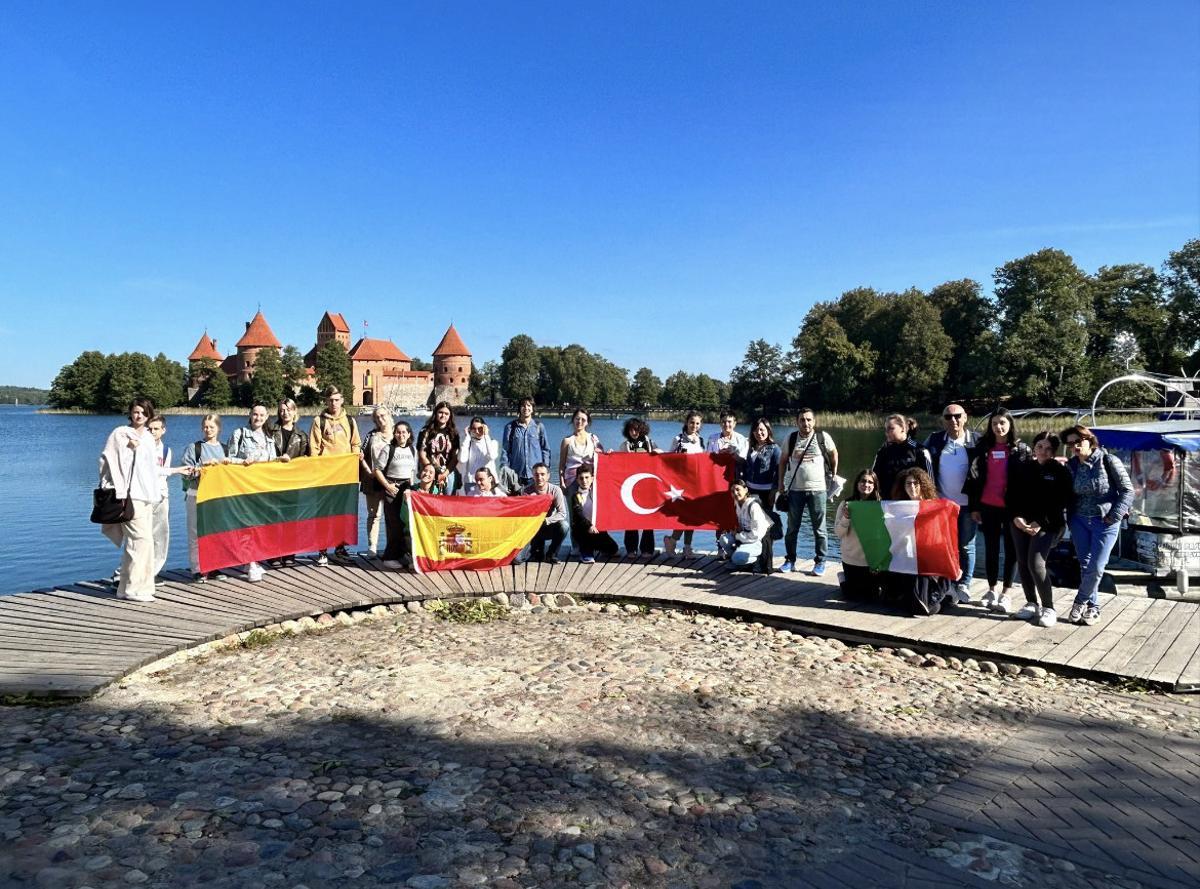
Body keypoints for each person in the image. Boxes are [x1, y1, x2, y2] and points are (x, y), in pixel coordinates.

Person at [1062, 424, 1133, 626]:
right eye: (1070, 444)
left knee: (1097, 566)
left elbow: (1128, 491)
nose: (1075, 446)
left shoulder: (1108, 460)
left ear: (1089, 440)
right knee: (1085, 565)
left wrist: (1115, 515)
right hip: (1079, 521)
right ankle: (1094, 608)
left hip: (1105, 521)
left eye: (1078, 441)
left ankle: (1079, 602)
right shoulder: (1072, 465)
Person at [1006, 431, 1074, 628]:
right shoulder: (1023, 467)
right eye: (1039, 447)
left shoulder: (1060, 471)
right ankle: (1031, 603)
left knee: (1036, 563)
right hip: (1020, 522)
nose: (1043, 451)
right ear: (1034, 447)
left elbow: (1061, 502)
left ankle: (1049, 607)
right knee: (1022, 562)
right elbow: (1011, 496)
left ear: (1054, 451)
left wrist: (1040, 523)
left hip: (1047, 524)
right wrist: (1016, 517)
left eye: (1048, 448)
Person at [965, 408, 1028, 614]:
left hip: (1012, 509)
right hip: (987, 506)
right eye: (994, 424)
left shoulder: (1021, 450)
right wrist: (974, 506)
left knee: (1012, 551)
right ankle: (991, 590)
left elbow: (1031, 480)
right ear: (990, 426)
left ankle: (1006, 594)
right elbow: (973, 480)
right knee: (991, 549)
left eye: (1002, 423)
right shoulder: (982, 448)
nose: (998, 427)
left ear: (1010, 425)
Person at [98, 398, 161, 602]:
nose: (139, 415)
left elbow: (152, 469)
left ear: (149, 414)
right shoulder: (121, 434)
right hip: (129, 496)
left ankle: (127, 587)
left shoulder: (150, 438)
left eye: (143, 412)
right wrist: (128, 448)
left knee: (144, 542)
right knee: (139, 541)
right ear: (130, 413)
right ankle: (135, 589)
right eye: (135, 412)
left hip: (146, 496)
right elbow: (107, 460)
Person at [925, 403, 980, 604]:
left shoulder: (976, 440)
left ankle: (964, 583)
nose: (953, 420)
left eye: (957, 416)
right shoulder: (934, 439)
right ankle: (948, 582)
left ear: (965, 417)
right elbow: (922, 464)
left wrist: (978, 505)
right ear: (943, 420)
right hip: (942, 505)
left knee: (966, 545)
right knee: (945, 546)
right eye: (948, 417)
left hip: (967, 505)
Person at [883, 468, 955, 616]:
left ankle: (945, 592)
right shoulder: (900, 508)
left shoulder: (935, 506)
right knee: (894, 601)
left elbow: (941, 538)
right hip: (907, 558)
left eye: (916, 483)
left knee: (923, 608)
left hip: (928, 559)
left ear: (923, 484)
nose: (912, 487)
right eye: (908, 483)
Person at [777, 408, 838, 576]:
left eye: (809, 420)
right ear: (797, 422)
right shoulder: (791, 438)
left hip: (818, 490)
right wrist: (781, 483)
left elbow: (833, 454)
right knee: (792, 528)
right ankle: (790, 560)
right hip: (795, 490)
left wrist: (834, 473)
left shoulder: (823, 437)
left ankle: (820, 562)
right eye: (802, 420)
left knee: (820, 529)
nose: (806, 423)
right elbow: (782, 461)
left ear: (814, 421)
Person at [227, 404, 283, 583]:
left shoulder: (269, 437)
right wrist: (244, 462)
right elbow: (229, 459)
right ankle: (250, 564)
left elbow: (272, 461)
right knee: (248, 525)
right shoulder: (239, 433)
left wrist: (281, 460)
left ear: (267, 417)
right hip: (245, 487)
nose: (258, 418)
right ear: (250, 415)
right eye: (255, 414)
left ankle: (254, 559)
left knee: (260, 525)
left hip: (263, 487)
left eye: (261, 415)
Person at [309, 385, 361, 565]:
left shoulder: (350, 421)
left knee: (342, 514)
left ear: (342, 400)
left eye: (337, 399)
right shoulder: (319, 421)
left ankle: (340, 548)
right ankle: (322, 550)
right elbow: (314, 448)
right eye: (330, 400)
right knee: (324, 514)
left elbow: (356, 444)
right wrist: (317, 471)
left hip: (345, 476)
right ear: (326, 401)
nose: (334, 403)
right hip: (325, 476)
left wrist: (355, 460)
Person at [182, 414, 228, 581]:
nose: (208, 430)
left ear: (218, 428)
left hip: (216, 497)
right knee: (195, 532)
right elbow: (186, 472)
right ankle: (198, 569)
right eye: (205, 427)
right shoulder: (195, 448)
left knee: (215, 533)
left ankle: (215, 566)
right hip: (197, 494)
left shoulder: (225, 448)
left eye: (211, 427)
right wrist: (202, 467)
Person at [268, 397, 309, 568]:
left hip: (292, 482)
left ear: (294, 411)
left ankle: (289, 553)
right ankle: (274, 553)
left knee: (291, 519)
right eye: (282, 410)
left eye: (288, 409)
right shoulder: (270, 430)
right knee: (273, 518)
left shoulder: (301, 435)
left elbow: (307, 459)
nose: (285, 413)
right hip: (273, 480)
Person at [834, 470, 885, 601]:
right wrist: (846, 518)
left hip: (871, 561)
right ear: (857, 484)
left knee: (873, 597)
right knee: (851, 597)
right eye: (863, 481)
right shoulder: (846, 504)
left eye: (870, 482)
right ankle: (843, 577)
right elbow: (839, 533)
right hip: (851, 559)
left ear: (875, 485)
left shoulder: (882, 506)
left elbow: (885, 537)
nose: (866, 484)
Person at [146, 416, 187, 577]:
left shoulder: (166, 450)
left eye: (156, 429)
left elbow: (163, 474)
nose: (152, 432)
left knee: (161, 536)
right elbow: (150, 470)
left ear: (163, 430)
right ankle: (123, 574)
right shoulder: (142, 448)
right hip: (144, 497)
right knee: (141, 537)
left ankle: (152, 573)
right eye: (150, 429)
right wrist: (177, 470)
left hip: (161, 496)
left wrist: (172, 472)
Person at [375, 421, 418, 570]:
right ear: (394, 434)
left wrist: (412, 489)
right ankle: (389, 557)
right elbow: (377, 470)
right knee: (394, 524)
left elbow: (412, 472)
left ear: (409, 434)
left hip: (406, 489)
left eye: (404, 432)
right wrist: (387, 486)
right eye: (398, 432)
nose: (401, 435)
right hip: (392, 488)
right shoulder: (389, 449)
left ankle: (403, 554)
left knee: (406, 524)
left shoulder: (412, 450)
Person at [663, 411, 705, 558]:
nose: (694, 425)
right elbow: (668, 459)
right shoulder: (678, 439)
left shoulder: (701, 440)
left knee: (691, 517)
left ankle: (686, 546)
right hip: (680, 485)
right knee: (684, 517)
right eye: (692, 422)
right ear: (687, 422)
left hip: (695, 484)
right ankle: (673, 540)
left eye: (697, 423)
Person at [742, 417, 781, 574]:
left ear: (768, 431)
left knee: (764, 529)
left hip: (766, 494)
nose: (760, 433)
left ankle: (767, 565)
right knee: (753, 527)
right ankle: (755, 561)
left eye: (763, 430)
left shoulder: (774, 449)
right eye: (757, 430)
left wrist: (774, 491)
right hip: (751, 492)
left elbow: (779, 472)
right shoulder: (751, 448)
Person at [619, 418, 660, 557]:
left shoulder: (650, 442)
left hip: (647, 484)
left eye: (636, 429)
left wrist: (657, 452)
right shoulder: (625, 445)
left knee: (648, 517)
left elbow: (660, 455)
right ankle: (631, 548)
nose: (633, 432)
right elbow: (617, 463)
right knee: (631, 517)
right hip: (631, 484)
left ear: (641, 429)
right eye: (630, 429)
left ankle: (647, 549)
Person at [360, 405, 394, 556]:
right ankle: (372, 546)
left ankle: (392, 546)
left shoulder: (398, 432)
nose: (381, 419)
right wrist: (369, 472)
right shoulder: (371, 435)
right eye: (377, 417)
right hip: (373, 480)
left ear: (389, 415)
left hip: (392, 480)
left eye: (383, 415)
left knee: (392, 515)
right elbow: (361, 455)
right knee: (374, 514)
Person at [871, 414, 931, 501]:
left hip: (913, 505)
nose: (886, 432)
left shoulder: (920, 451)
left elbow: (929, 482)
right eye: (886, 429)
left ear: (903, 428)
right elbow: (874, 478)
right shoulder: (883, 451)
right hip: (888, 504)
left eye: (891, 428)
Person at [717, 479, 772, 571]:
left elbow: (757, 534)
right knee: (724, 539)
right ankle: (738, 559)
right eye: (732, 491)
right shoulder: (737, 503)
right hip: (745, 536)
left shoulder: (754, 506)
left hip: (758, 540)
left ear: (746, 490)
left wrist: (738, 536)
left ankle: (756, 560)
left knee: (737, 557)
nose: (735, 493)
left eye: (738, 489)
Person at [569, 465, 619, 563]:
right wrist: (589, 525)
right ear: (577, 480)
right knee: (587, 549)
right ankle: (586, 552)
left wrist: (609, 455)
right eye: (581, 478)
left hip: (598, 528)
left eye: (587, 477)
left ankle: (597, 546)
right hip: (583, 529)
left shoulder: (597, 492)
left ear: (592, 478)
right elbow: (579, 514)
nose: (584, 481)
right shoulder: (576, 496)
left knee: (614, 550)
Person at [520, 463, 568, 564]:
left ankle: (551, 554)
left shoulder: (555, 490)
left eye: (542, 474)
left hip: (549, 524)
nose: (539, 477)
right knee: (537, 558)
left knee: (564, 525)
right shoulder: (527, 491)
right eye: (536, 475)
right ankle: (535, 551)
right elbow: (524, 515)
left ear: (548, 476)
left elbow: (562, 513)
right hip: (534, 528)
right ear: (532, 476)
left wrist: (547, 520)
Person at [501, 397, 551, 488]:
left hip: (536, 476)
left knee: (536, 501)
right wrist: (505, 469)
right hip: (516, 475)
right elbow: (505, 450)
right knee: (516, 501)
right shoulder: (510, 427)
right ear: (519, 408)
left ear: (532, 408)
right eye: (523, 405)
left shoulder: (539, 427)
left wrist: (545, 469)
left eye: (529, 405)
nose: (526, 408)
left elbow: (545, 449)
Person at [417, 401, 461, 491]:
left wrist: (444, 474)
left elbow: (455, 457)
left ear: (450, 416)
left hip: (448, 471)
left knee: (449, 498)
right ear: (435, 413)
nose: (443, 416)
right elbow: (422, 455)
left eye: (446, 413)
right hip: (429, 469)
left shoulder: (453, 434)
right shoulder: (425, 431)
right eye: (440, 412)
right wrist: (433, 472)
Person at [559, 407, 603, 491]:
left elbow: (602, 458)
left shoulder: (594, 439)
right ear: (573, 420)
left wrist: (610, 454)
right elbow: (562, 465)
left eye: (583, 420)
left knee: (589, 504)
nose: (579, 422)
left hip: (589, 482)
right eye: (577, 419)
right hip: (571, 482)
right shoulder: (567, 441)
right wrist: (562, 483)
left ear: (587, 422)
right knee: (574, 504)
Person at [457, 417, 500, 495]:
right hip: (471, 482)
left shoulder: (493, 442)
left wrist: (486, 436)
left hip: (489, 483)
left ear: (484, 428)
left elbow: (492, 456)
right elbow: (462, 459)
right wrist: (467, 437)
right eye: (474, 429)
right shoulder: (468, 443)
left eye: (480, 428)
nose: (477, 431)